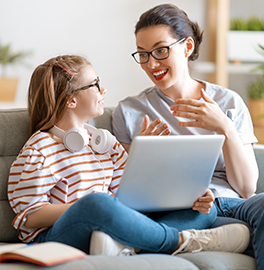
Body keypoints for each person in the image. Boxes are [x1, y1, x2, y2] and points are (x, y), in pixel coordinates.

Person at [8, 55, 249, 257]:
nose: (103, 90)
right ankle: (179, 242)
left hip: (110, 225)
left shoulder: (103, 142)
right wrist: (93, 206)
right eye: (94, 84)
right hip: (58, 236)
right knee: (96, 202)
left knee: (202, 205)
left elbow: (128, 196)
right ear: (71, 99)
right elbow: (30, 217)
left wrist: (145, 158)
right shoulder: (39, 148)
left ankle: (129, 245)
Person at [112, 3, 264, 268]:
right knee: (229, 228)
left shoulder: (228, 101)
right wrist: (143, 154)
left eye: (161, 50)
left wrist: (224, 127)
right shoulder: (130, 111)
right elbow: (126, 192)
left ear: (187, 47)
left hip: (231, 202)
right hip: (182, 209)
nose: (152, 63)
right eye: (143, 54)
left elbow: (247, 187)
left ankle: (176, 240)